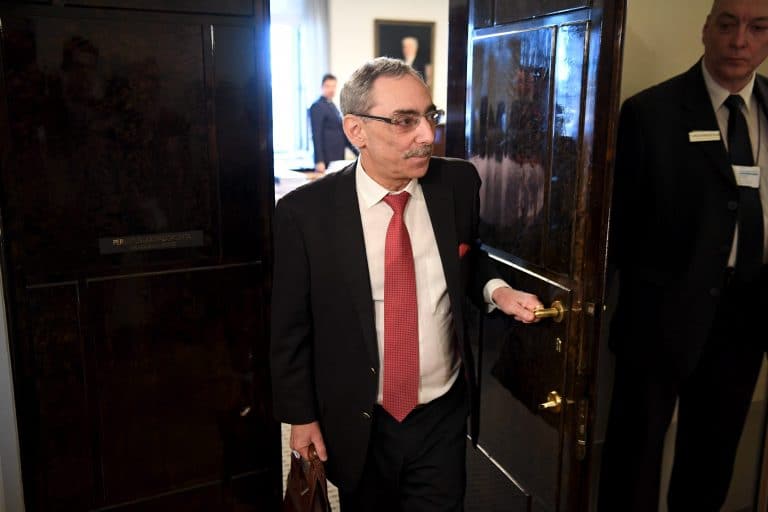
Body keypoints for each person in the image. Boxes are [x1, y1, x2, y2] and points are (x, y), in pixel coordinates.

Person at [271, 57, 543, 511]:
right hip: (360, 416)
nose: (427, 135)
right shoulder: (306, 213)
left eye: (430, 116)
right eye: (405, 121)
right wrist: (301, 417)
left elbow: (468, 257)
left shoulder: (457, 183)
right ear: (356, 130)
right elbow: (290, 328)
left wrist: (498, 290)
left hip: (442, 413)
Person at [599, 1, 768, 510]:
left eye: (757, 28)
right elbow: (620, 227)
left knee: (712, 457)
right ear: (706, 30)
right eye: (728, 24)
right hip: (660, 317)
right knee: (634, 457)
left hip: (745, 315)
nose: (740, 41)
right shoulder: (651, 113)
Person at [308, 73, 358, 172]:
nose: (331, 89)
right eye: (328, 86)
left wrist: (358, 152)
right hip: (326, 159)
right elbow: (316, 135)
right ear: (322, 87)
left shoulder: (333, 106)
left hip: (338, 156)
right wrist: (319, 160)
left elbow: (342, 133)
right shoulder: (317, 106)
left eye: (333, 86)